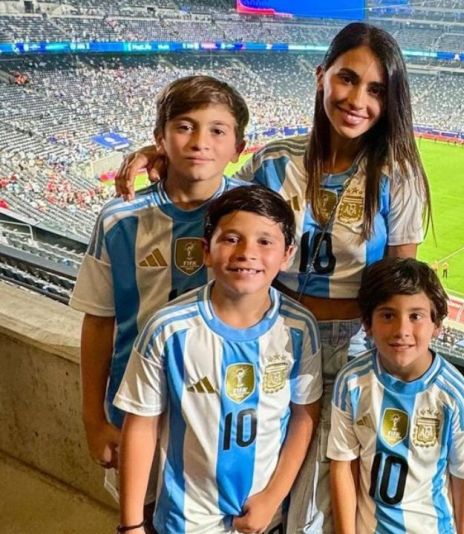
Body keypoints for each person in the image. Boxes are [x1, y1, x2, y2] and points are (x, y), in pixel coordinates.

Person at [115, 23, 432, 533]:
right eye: (347, 79)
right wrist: (164, 157)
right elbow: (216, 196)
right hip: (272, 342)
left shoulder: (399, 176)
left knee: (325, 504)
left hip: (352, 356)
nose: (357, 99)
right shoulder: (273, 162)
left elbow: (396, 285)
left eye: (376, 90)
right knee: (250, 482)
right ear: (320, 77)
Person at [69, 75, 250, 520]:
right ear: (160, 138)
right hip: (136, 414)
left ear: (238, 147)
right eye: (184, 127)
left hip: (221, 417)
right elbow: (98, 321)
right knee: (140, 517)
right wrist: (94, 420)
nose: (200, 142)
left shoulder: (252, 219)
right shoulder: (118, 220)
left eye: (217, 131)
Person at [114, 186, 321, 533]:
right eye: (232, 239)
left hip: (263, 518)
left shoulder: (299, 328)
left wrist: (272, 498)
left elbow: (303, 417)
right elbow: (141, 425)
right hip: (186, 519)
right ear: (205, 251)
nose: (247, 253)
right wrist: (132, 524)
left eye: (264, 242)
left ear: (287, 255)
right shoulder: (168, 329)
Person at [327, 258, 464, 533]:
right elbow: (343, 466)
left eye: (416, 316)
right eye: (388, 315)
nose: (402, 331)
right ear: (368, 324)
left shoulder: (453, 395)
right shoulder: (351, 382)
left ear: (437, 325)